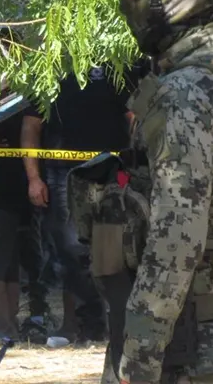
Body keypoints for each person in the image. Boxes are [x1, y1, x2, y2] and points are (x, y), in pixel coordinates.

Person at [94, 0, 213, 384]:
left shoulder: (189, 91)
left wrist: (137, 360)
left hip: (200, 344)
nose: (127, 2)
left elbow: (176, 241)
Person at [21, 63, 134, 344]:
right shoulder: (48, 68)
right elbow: (31, 126)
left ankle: (119, 322)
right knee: (70, 250)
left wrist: (137, 166)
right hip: (63, 174)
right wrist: (34, 178)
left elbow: (134, 117)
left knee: (119, 250)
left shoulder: (115, 64)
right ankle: (90, 319)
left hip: (112, 171)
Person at [0, 113, 48, 343]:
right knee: (10, 264)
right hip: (18, 198)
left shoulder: (4, 116)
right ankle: (10, 323)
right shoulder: (25, 114)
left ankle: (4, 325)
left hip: (0, 198)